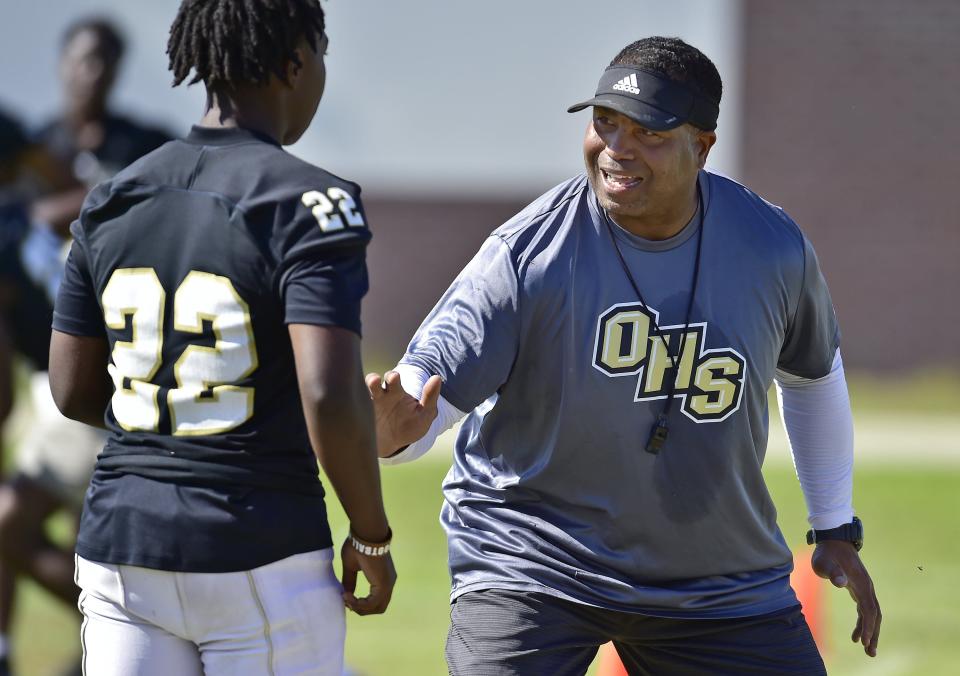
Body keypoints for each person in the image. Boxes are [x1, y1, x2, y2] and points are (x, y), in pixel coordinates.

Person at [367, 36, 880, 675]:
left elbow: (811, 375)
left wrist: (834, 528)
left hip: (713, 577)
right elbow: (428, 393)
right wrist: (397, 435)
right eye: (604, 123)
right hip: (536, 560)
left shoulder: (772, 247)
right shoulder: (528, 254)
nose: (616, 148)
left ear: (703, 145)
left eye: (648, 132)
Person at [47, 1, 395, 674]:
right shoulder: (309, 202)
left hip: (122, 543)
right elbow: (327, 392)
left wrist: (176, 430)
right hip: (257, 546)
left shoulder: (114, 195)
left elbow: (70, 388)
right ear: (296, 61)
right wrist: (372, 538)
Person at [0, 19, 172, 676]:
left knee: (53, 530)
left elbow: (146, 199)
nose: (90, 73)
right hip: (44, 371)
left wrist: (60, 209)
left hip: (110, 376)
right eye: (81, 60)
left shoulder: (142, 145)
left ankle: (112, 637)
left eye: (104, 61)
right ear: (61, 63)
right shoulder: (37, 144)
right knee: (40, 532)